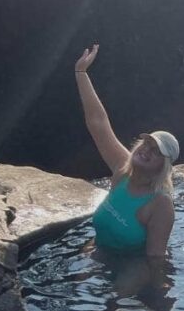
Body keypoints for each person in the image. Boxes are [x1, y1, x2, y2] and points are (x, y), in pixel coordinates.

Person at [75, 44, 178, 256]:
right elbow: (98, 124)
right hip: (99, 249)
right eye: (146, 144)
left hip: (134, 265)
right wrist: (81, 73)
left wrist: (154, 286)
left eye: (156, 151)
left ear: (163, 166)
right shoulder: (123, 171)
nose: (146, 151)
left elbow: (156, 259)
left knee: (120, 291)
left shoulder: (160, 204)